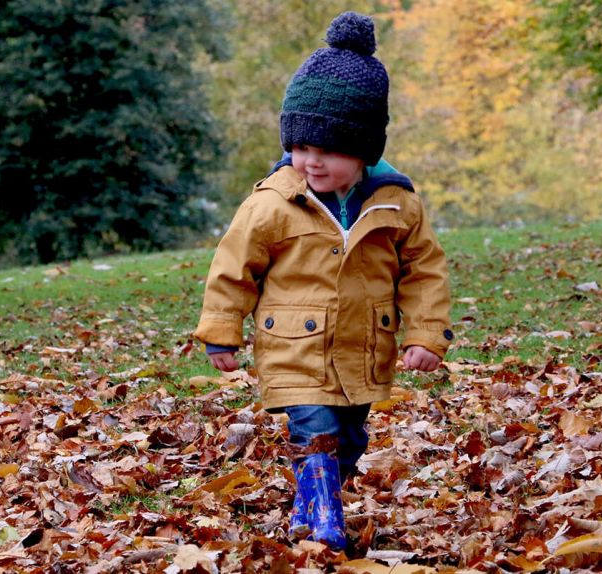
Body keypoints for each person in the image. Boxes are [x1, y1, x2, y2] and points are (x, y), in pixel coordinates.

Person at [193, 12, 452, 551]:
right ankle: (327, 523)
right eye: (302, 147)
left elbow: (424, 270)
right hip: (294, 346)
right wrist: (221, 329)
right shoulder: (273, 203)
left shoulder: (396, 204)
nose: (311, 161)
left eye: (328, 150)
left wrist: (427, 334)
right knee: (316, 431)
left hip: (363, 350)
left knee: (350, 439)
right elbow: (235, 265)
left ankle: (308, 508)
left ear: (363, 150)